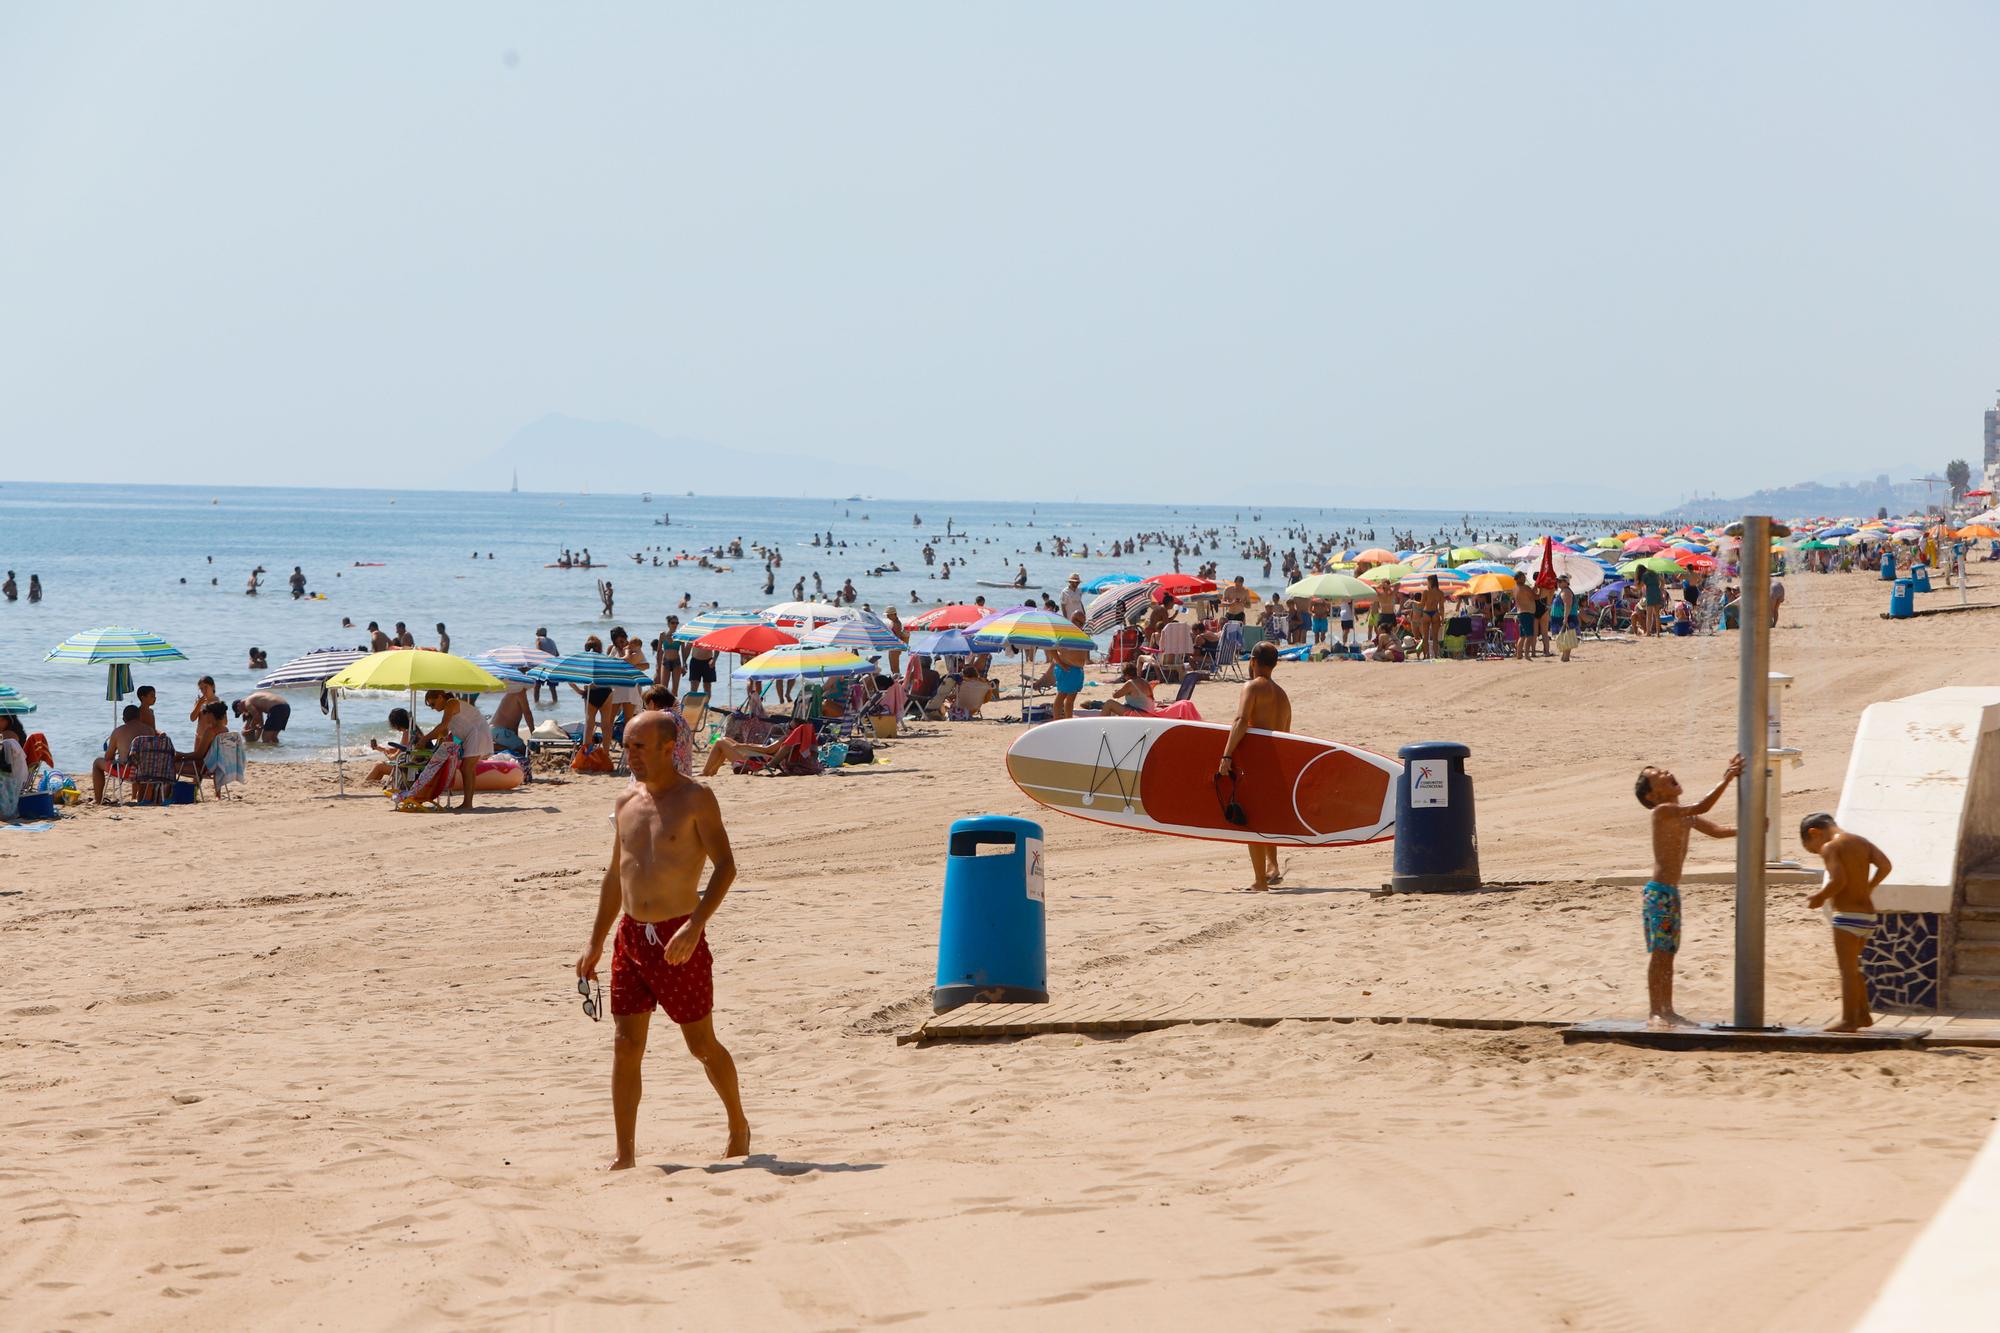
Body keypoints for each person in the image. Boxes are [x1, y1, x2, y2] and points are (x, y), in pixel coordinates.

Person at [574, 711, 748, 1168]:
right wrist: (595, 942)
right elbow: (616, 874)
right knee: (625, 1044)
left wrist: (696, 925)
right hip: (631, 938)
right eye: (626, 745)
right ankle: (625, 1154)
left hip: (679, 935)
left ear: (670, 749)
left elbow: (726, 866)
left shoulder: (696, 798)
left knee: (701, 1045)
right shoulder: (625, 800)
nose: (629, 755)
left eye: (639, 747)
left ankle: (738, 1124)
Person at [1633, 754, 1745, 1028]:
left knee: (1668, 954)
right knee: (1659, 954)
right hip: (1658, 893)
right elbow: (1705, 806)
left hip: (1671, 894)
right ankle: (1655, 1011)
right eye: (1658, 774)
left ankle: (1667, 1009)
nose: (1667, 771)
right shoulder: (1662, 812)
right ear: (1652, 795)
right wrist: (1727, 778)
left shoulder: (1685, 815)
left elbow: (1717, 830)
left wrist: (1749, 829)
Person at [1801, 813, 1893, 1032]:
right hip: (1868, 916)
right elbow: (1885, 865)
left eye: (1813, 849)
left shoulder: (1831, 847)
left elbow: (1838, 880)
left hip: (1847, 916)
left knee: (1847, 970)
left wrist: (1820, 897)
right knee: (1855, 968)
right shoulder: (1861, 841)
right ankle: (1863, 1015)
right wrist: (1869, 887)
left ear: (1814, 832)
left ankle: (1848, 1020)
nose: (1818, 852)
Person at [1216, 641, 1291, 891]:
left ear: (1253, 662)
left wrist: (1226, 756)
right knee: (1265, 817)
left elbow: (1240, 720)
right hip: (1276, 763)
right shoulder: (1283, 696)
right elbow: (1287, 736)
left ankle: (1260, 881)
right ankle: (1273, 867)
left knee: (1252, 820)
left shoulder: (1252, 687)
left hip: (1257, 762)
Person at [422, 689, 493, 811]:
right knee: (467, 768)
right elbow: (443, 731)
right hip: (474, 734)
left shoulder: (451, 703)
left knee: (466, 768)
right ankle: (468, 803)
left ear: (440, 697)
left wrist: (424, 739)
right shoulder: (448, 709)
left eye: (432, 704)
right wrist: (430, 741)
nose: (432, 708)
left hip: (477, 733)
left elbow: (443, 726)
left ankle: (467, 803)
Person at [91, 705, 157, 803]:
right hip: (148, 771)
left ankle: (98, 800)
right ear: (139, 717)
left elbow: (108, 757)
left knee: (97, 763)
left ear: (123, 719)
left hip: (128, 772)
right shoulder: (150, 730)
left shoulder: (118, 731)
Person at [1047, 612, 1090, 720]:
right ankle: (1056, 720)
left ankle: (1068, 720)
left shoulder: (1082, 634)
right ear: (1071, 619)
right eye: (1075, 620)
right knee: (1061, 695)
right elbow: (1051, 649)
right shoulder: (1064, 633)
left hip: (1077, 670)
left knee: (1071, 699)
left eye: (1081, 622)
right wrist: (1061, 664)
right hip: (1066, 668)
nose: (1077, 624)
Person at [365, 707, 422, 785]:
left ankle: (365, 784)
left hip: (409, 769)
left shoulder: (407, 733)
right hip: (415, 765)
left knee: (379, 766)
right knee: (380, 766)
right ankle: (370, 784)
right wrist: (381, 749)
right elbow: (403, 749)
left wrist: (386, 753)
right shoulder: (414, 730)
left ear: (397, 723)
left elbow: (395, 757)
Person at [0, 714, 28, 820]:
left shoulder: (8, 735)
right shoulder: (16, 733)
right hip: (15, 773)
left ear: (7, 720)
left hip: (10, 775)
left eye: (0, 719)